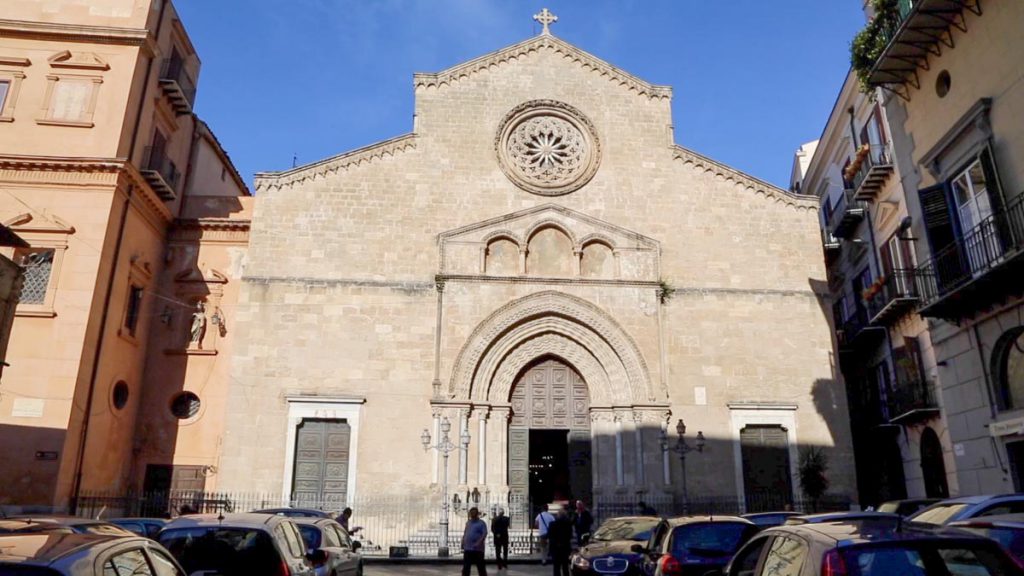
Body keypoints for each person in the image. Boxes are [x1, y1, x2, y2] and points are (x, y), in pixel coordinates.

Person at [461, 507, 488, 576]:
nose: (472, 515)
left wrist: (479, 542)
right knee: (466, 567)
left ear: (477, 514)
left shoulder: (481, 523)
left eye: (474, 513)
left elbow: (484, 533)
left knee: (480, 567)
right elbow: (465, 532)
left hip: (478, 549)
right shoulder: (468, 522)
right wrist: (463, 541)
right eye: (471, 513)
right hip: (468, 548)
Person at [547, 506, 574, 576]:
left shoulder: (552, 524)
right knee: (565, 567)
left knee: (556, 567)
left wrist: (556, 543)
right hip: (565, 548)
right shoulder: (568, 524)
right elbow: (570, 536)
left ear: (558, 515)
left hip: (555, 548)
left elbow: (550, 536)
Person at [491, 507, 510, 571]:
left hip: (498, 536)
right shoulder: (507, 519)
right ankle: (504, 563)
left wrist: (496, 534)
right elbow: (507, 526)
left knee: (498, 551)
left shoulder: (494, 519)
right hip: (504, 536)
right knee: (504, 550)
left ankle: (500, 563)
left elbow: (492, 529)